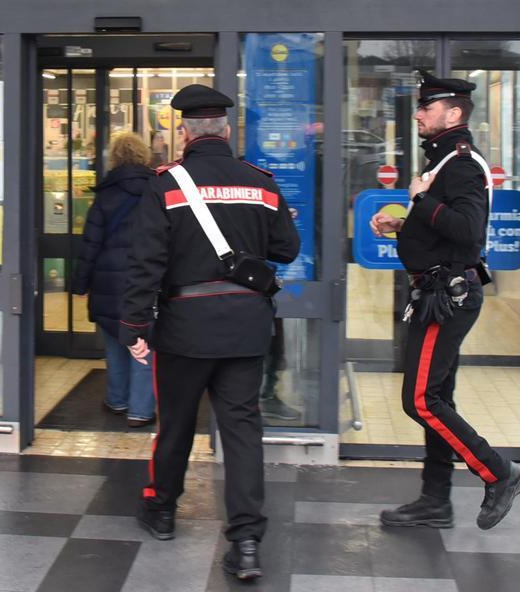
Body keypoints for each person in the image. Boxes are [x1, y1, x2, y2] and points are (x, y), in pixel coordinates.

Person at [119, 84, 299, 580]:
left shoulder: (166, 184)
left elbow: (146, 262)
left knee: (175, 425)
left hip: (185, 329)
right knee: (242, 432)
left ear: (184, 132)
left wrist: (135, 324)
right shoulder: (260, 182)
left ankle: (161, 511)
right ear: (226, 129)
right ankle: (245, 542)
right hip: (246, 328)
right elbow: (285, 249)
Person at [369, 71, 520, 531]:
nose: (418, 113)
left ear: (453, 113)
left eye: (427, 107)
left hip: (447, 296)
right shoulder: (443, 162)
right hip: (438, 291)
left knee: (420, 400)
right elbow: (445, 226)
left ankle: (500, 472)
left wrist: (420, 203)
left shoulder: (462, 163)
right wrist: (404, 225)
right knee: (440, 396)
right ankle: (435, 500)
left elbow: (469, 230)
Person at [71, 132, 156, 427]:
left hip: (108, 283)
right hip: (145, 281)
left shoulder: (106, 195)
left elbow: (90, 244)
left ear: (115, 158)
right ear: (144, 156)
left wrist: (80, 284)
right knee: (143, 345)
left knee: (114, 344)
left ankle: (118, 400)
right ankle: (141, 410)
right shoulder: (157, 190)